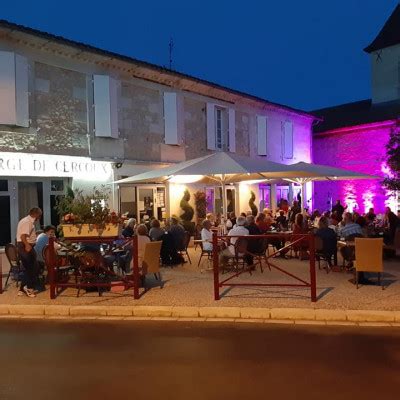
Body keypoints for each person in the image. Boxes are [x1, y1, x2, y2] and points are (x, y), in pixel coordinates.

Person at [16, 207, 42, 298]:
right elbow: (23, 236)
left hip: (26, 246)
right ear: (35, 214)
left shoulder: (26, 221)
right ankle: (29, 288)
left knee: (31, 267)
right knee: (32, 267)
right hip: (25, 246)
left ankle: (22, 289)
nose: (40, 217)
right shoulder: (28, 222)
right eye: (39, 215)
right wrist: (27, 245)